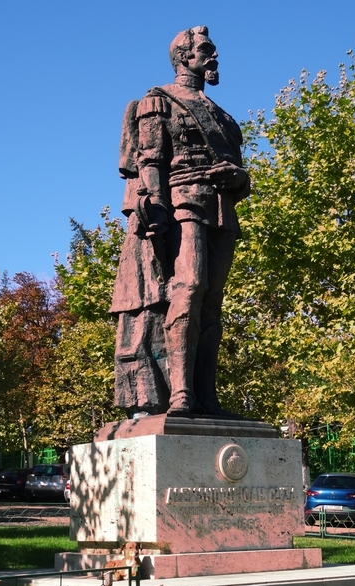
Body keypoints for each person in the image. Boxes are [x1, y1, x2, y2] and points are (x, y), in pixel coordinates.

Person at [110, 26, 250, 417]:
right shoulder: (159, 101)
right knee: (188, 288)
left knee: (212, 304)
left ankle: (207, 397)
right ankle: (180, 394)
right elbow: (149, 159)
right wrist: (153, 205)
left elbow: (240, 171)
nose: (214, 56)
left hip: (222, 210)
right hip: (181, 204)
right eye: (206, 49)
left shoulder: (223, 117)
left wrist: (240, 178)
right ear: (184, 57)